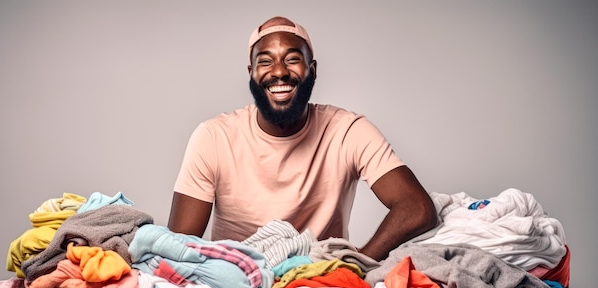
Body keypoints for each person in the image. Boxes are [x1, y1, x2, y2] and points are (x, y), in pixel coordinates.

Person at [167, 16, 437, 263]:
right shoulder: (214, 137)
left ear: (313, 70)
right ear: (251, 73)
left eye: (292, 59)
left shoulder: (347, 131)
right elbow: (178, 245)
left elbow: (417, 207)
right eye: (265, 61)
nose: (279, 71)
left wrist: (356, 267)